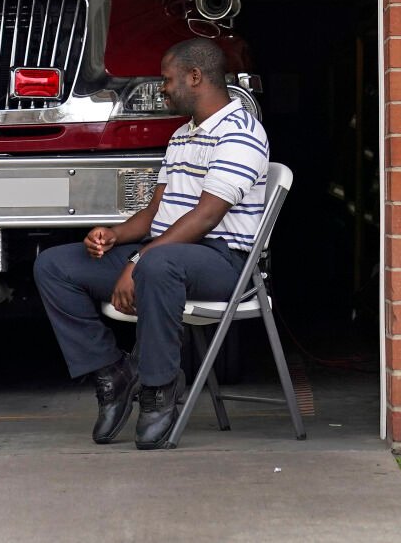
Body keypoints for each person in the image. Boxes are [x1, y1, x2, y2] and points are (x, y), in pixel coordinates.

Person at [33, 37, 268, 449]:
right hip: (167, 254)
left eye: (167, 79)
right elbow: (155, 213)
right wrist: (116, 235)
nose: (163, 88)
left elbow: (206, 217)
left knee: (160, 267)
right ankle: (112, 372)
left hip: (225, 262)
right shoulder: (182, 136)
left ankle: (158, 390)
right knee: (54, 265)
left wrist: (139, 261)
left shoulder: (240, 133)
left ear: (195, 77)